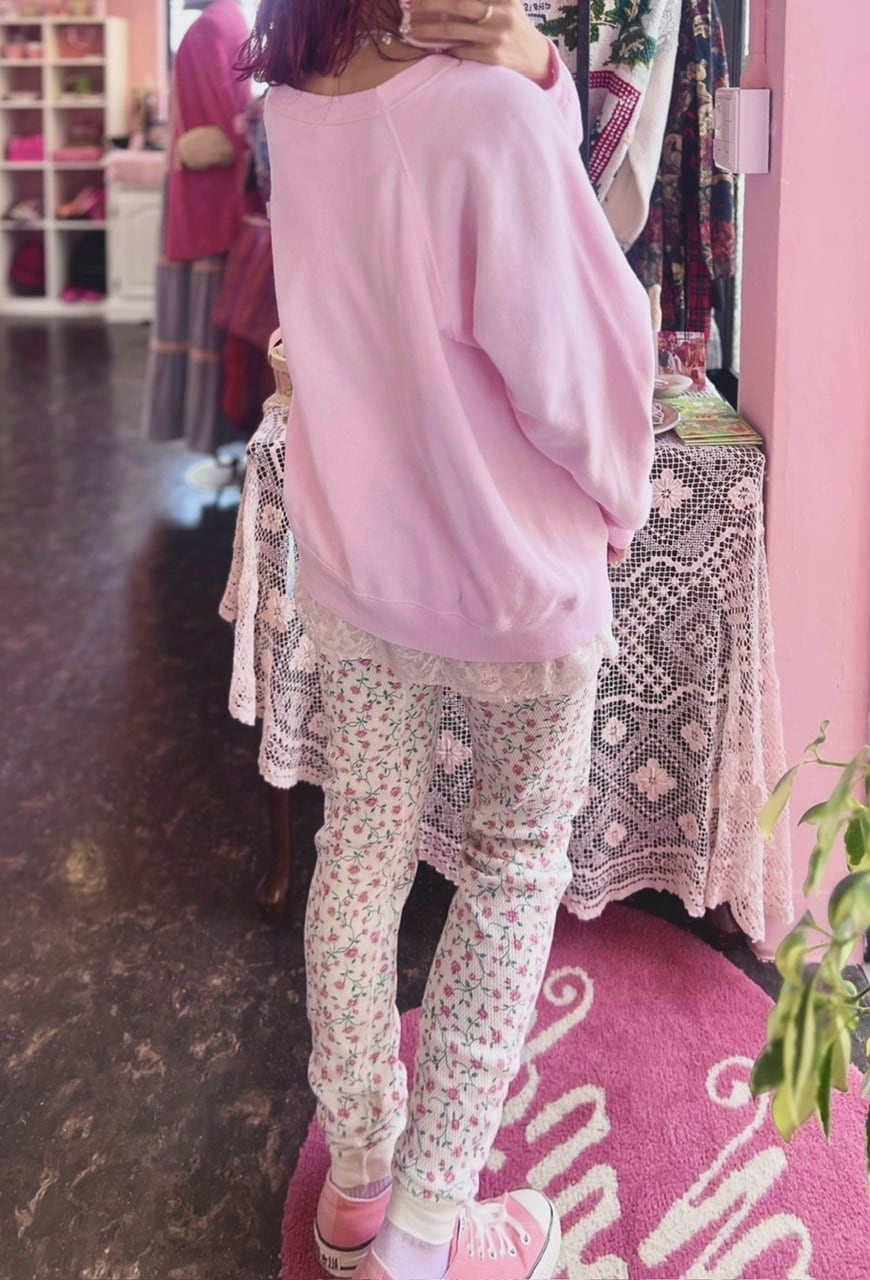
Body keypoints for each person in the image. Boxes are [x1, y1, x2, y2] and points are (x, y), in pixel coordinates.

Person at [239, 2, 655, 1277]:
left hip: (362, 561)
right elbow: (576, 370)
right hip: (511, 568)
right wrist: (623, 499)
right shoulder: (482, 113)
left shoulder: (290, 107)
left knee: (362, 847)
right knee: (514, 863)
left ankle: (361, 1179)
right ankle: (427, 1234)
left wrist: (541, 77)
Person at [142, 0, 252, 455]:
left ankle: (207, 430)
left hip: (204, 198)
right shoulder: (232, 21)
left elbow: (215, 134)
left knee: (201, 313)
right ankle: (218, 431)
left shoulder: (207, 29)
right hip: (226, 195)